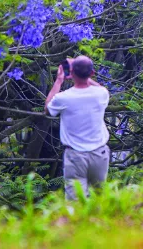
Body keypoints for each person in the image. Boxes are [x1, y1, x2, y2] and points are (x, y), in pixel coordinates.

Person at [45, 55, 110, 199]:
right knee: (99, 198)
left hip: (75, 156)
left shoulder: (64, 98)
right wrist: (82, 71)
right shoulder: (101, 94)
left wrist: (59, 81)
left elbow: (47, 109)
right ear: (92, 73)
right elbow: (98, 87)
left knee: (75, 201)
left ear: (71, 72)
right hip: (99, 154)